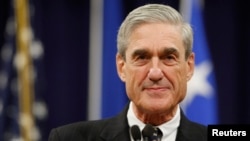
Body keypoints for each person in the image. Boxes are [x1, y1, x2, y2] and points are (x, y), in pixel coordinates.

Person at [48, 3, 207, 141]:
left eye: (169, 57)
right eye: (142, 57)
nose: (155, 73)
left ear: (189, 66)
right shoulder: (68, 138)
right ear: (121, 67)